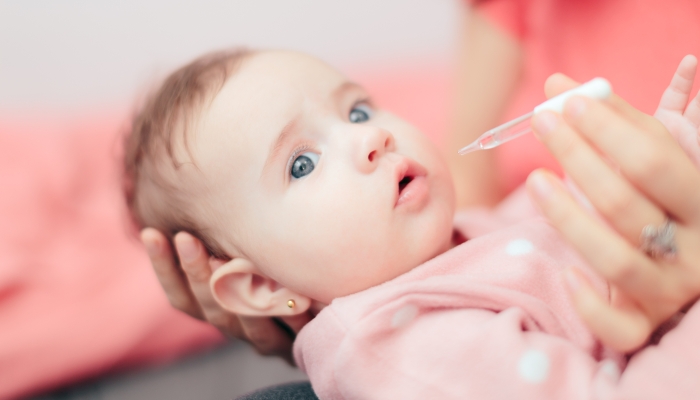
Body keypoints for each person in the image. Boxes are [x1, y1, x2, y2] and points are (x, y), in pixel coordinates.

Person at [125, 47, 700, 398]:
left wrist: (662, 165)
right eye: (302, 163)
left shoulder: (466, 233)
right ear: (263, 285)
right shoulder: (399, 343)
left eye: (356, 110)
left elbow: (604, 242)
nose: (371, 137)